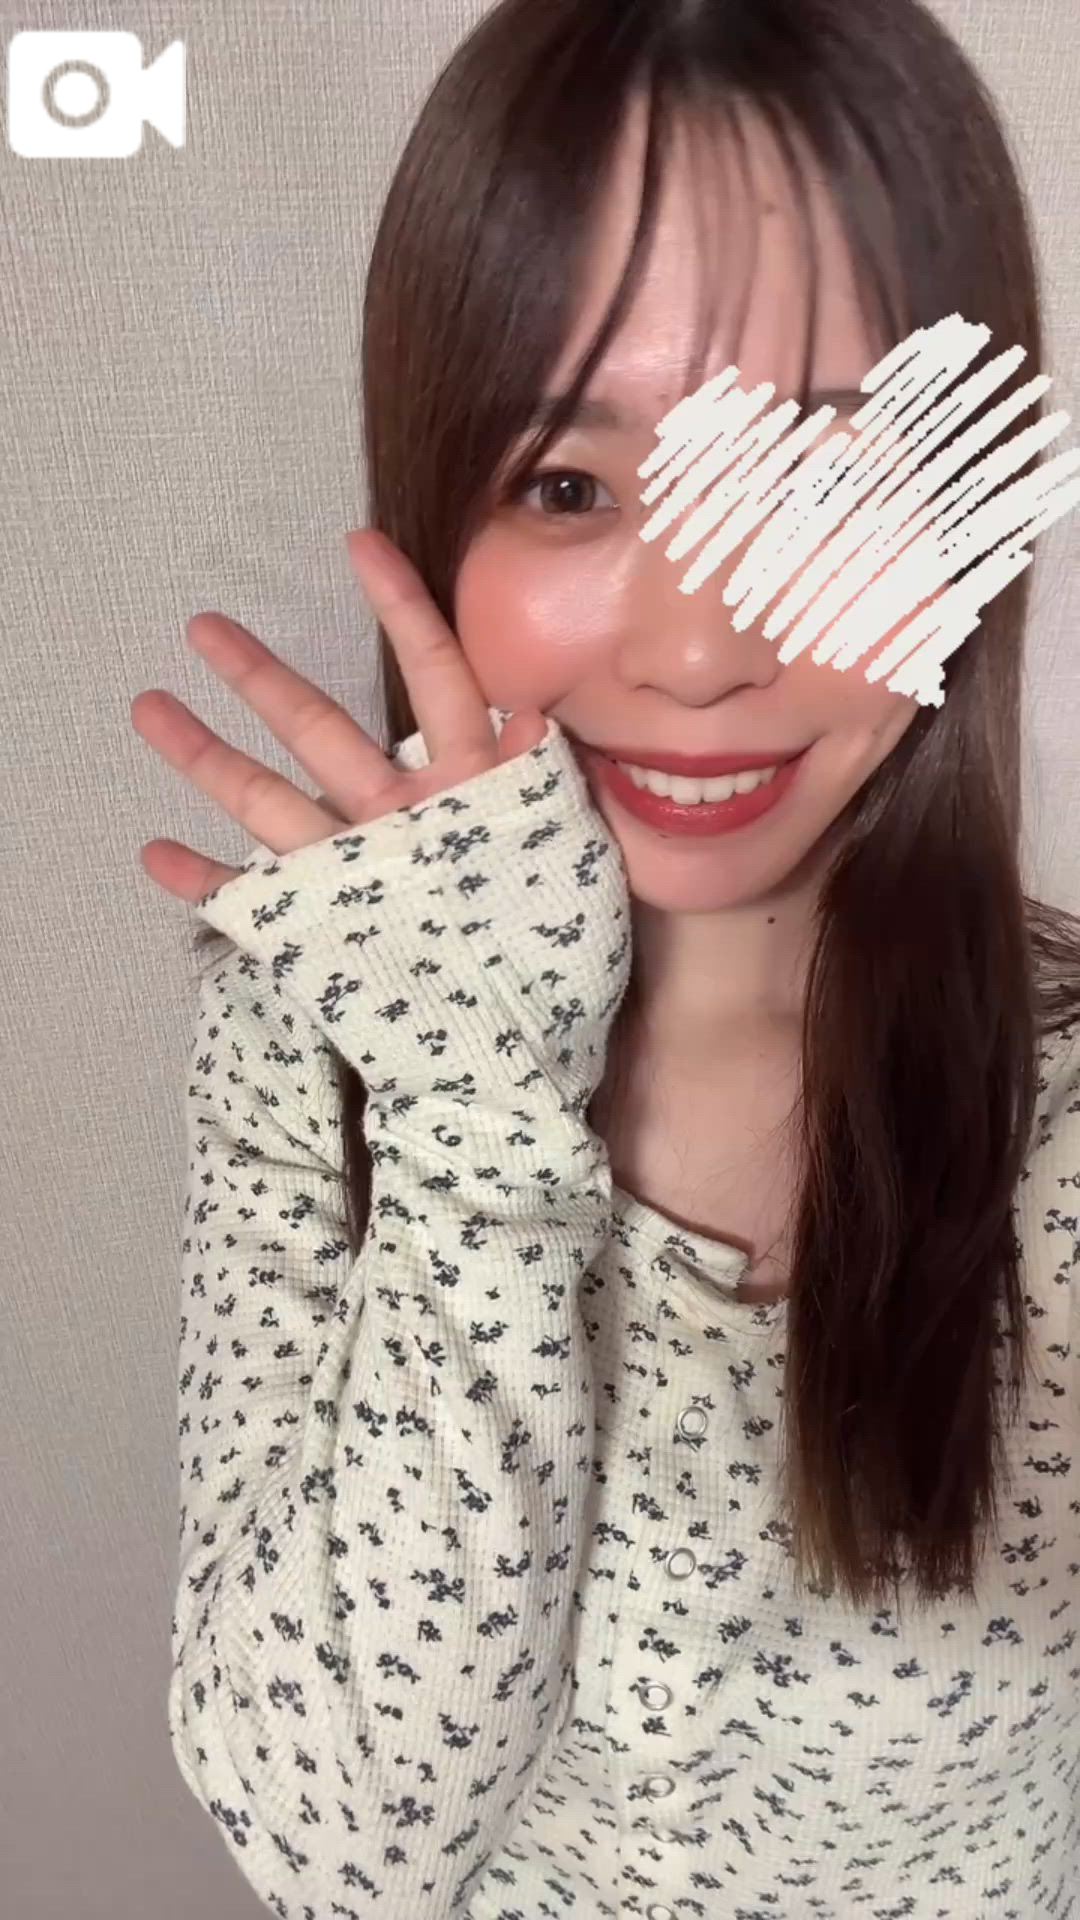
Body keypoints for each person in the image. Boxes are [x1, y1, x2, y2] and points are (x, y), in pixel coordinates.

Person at [132, 1, 1080, 1914]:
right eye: (570, 488)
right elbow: (337, 1853)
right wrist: (477, 1100)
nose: (704, 651)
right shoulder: (320, 1015)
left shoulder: (1058, 1091)